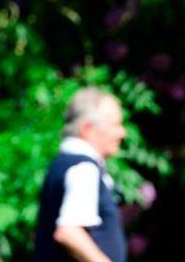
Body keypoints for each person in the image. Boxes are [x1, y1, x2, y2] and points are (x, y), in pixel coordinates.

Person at [35, 88, 128, 262]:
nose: (122, 133)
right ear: (87, 128)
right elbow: (69, 232)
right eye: (115, 125)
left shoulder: (62, 163)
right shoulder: (83, 167)